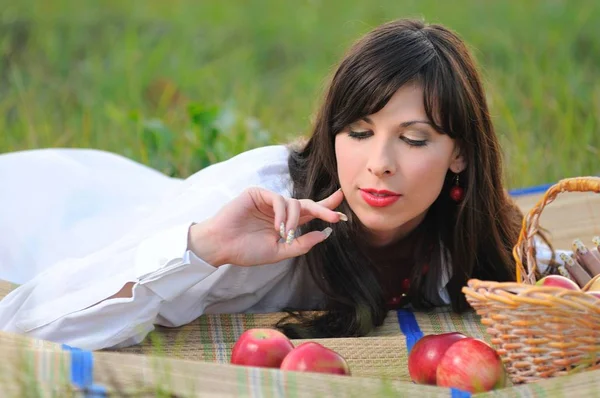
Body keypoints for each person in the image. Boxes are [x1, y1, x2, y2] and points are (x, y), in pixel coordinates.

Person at [0, 19, 598, 351]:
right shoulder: (259, 206)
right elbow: (29, 325)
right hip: (42, 218)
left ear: (460, 155)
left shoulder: (462, 234)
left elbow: (535, 278)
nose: (378, 164)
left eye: (413, 139)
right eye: (358, 131)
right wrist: (201, 247)